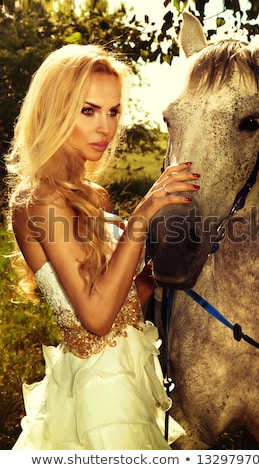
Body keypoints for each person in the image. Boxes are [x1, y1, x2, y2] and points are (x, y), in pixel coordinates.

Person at [5, 43, 200, 450]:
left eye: (113, 112)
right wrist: (142, 218)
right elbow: (95, 319)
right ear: (54, 111)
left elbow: (124, 304)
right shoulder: (37, 200)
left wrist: (166, 265)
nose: (105, 128)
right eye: (89, 110)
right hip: (98, 394)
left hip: (131, 377)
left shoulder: (95, 198)